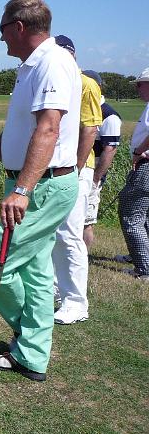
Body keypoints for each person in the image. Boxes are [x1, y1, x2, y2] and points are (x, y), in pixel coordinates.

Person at [0, 0, 80, 382]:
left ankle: (28, 337)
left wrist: (23, 190)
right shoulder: (30, 67)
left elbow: (48, 130)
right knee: (33, 273)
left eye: (1, 30)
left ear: (17, 27)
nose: (0, 40)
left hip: (41, 186)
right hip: (32, 181)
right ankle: (32, 356)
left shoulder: (51, 63)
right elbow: (19, 131)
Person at [51, 37, 102, 325]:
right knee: (55, 234)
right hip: (58, 168)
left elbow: (90, 129)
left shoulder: (85, 83)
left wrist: (75, 169)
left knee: (70, 234)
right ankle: (58, 290)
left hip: (75, 169)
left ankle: (76, 302)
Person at [83, 71, 122, 250]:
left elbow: (110, 150)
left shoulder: (109, 115)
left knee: (86, 220)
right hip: (81, 169)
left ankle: (82, 257)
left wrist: (96, 178)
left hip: (92, 172)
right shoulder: (84, 109)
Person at [118, 67, 149, 280]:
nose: (137, 88)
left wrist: (138, 152)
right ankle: (141, 256)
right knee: (145, 217)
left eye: (140, 84)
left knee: (132, 215)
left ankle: (144, 268)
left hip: (146, 163)